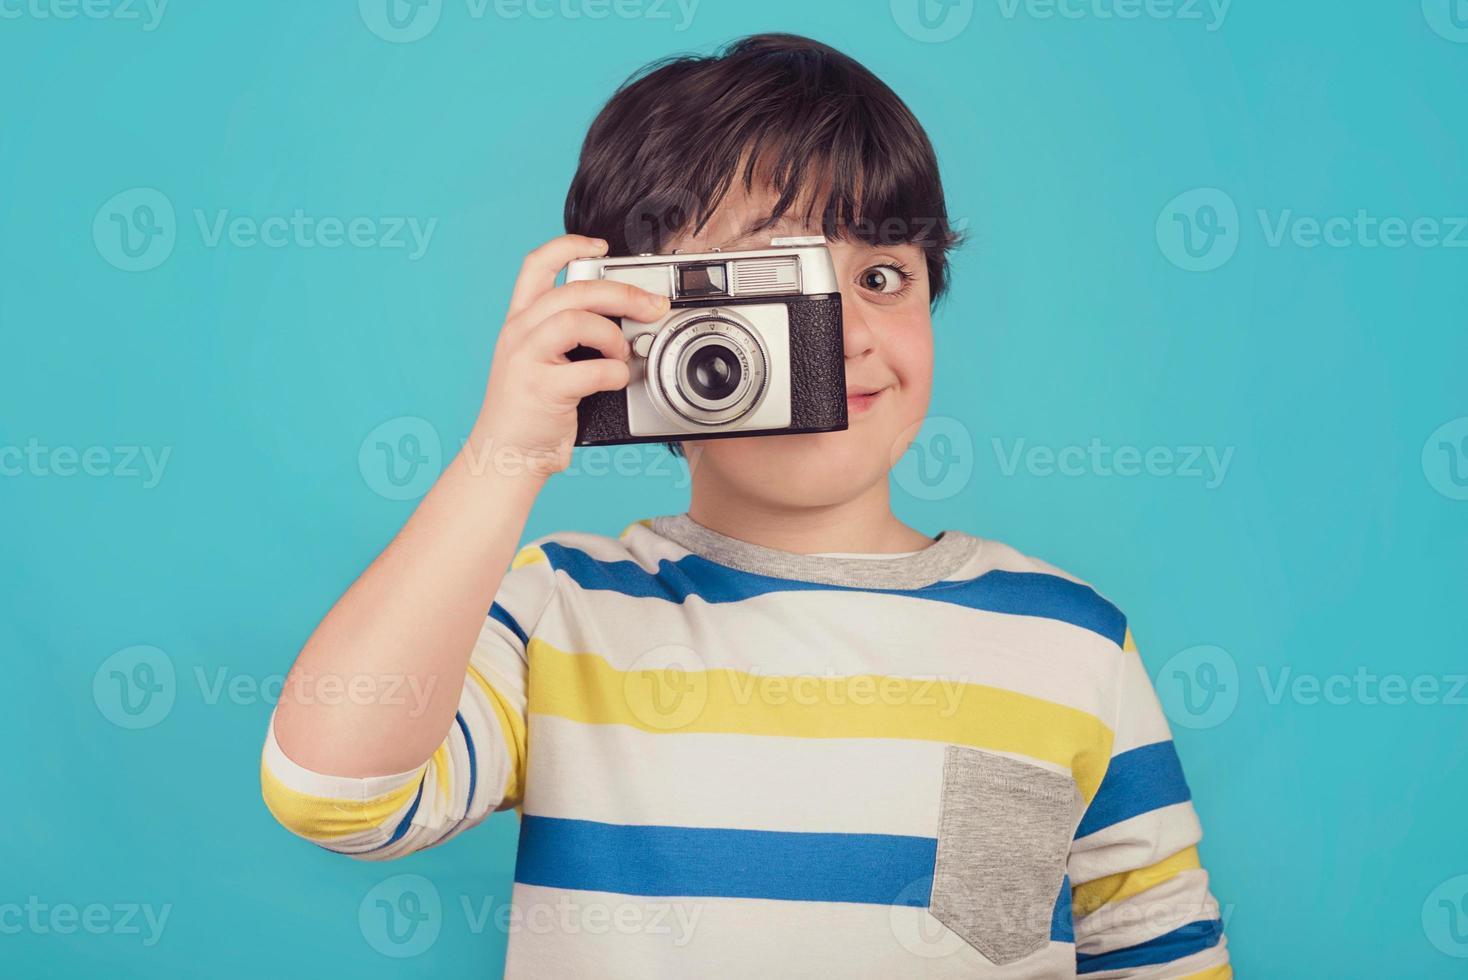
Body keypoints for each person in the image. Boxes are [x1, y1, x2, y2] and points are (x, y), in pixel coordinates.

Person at [260, 33, 1231, 978]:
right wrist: (501, 455)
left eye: (880, 276)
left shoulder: (1069, 642)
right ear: (631, 319)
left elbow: (1154, 942)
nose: (842, 333)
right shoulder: (562, 610)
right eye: (777, 286)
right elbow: (335, 792)